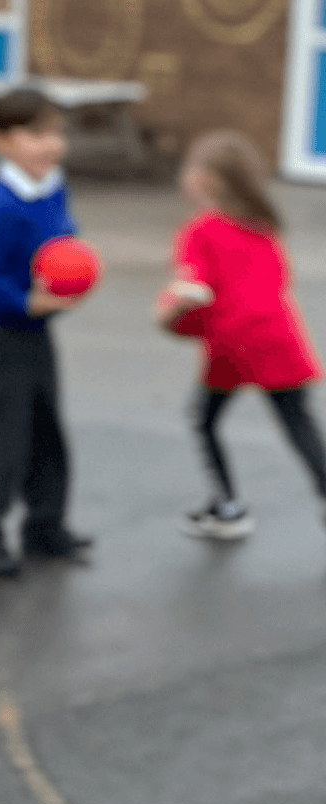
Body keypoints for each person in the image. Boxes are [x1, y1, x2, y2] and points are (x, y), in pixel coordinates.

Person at [155, 130, 326, 540]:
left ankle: (228, 509)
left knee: (205, 420)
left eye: (192, 168)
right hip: (280, 338)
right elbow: (279, 282)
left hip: (234, 343)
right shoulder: (264, 226)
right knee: (299, 424)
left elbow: (194, 293)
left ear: (207, 180)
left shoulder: (201, 230)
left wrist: (170, 316)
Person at [0, 88, 94, 577]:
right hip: (4, 336)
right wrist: (26, 301)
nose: (52, 143)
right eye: (37, 134)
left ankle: (45, 527)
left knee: (47, 433)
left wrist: (74, 271)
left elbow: (64, 238)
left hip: (38, 334)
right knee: (7, 441)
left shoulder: (54, 188)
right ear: (1, 142)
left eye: (57, 132)